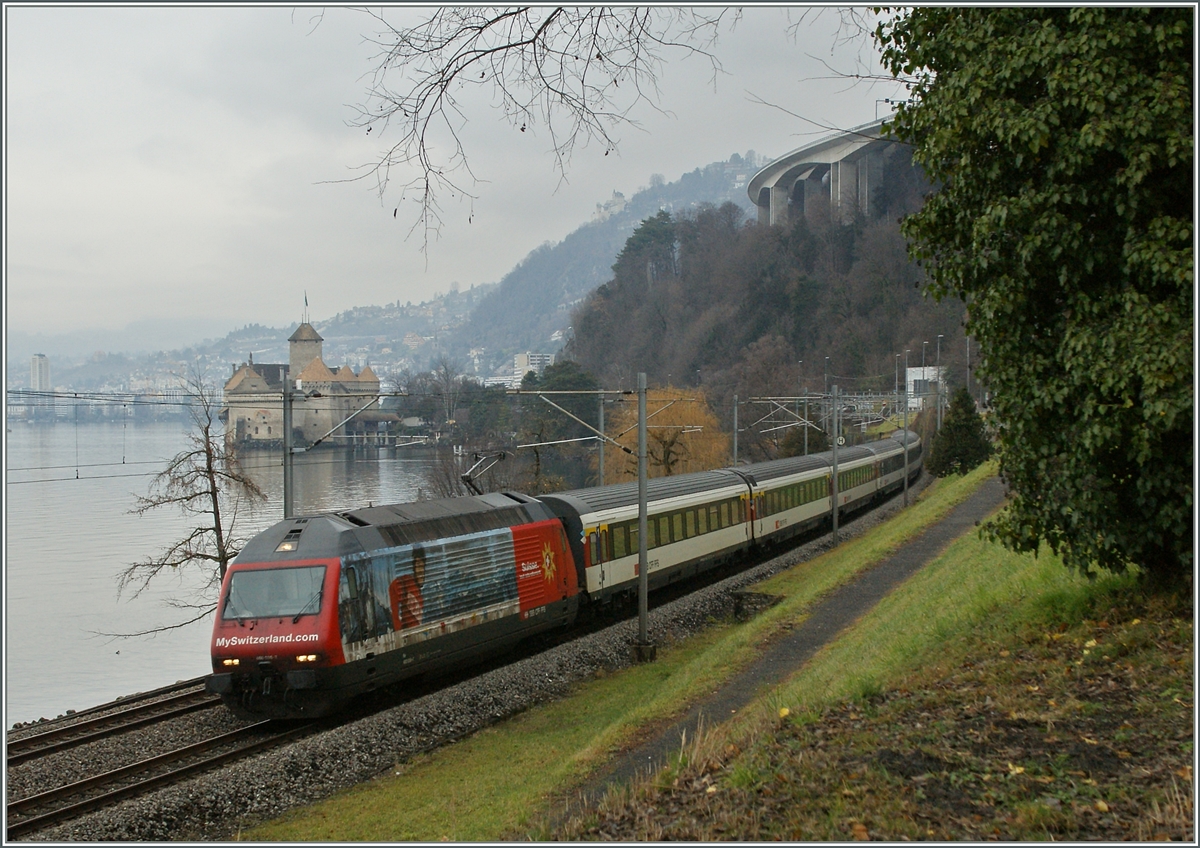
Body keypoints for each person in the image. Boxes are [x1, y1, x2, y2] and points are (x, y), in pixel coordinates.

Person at [389, 546, 426, 630]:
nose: (421, 571)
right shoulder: (405, 582)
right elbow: (392, 588)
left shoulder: (419, 591)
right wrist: (398, 631)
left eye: (423, 566)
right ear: (413, 567)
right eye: (418, 565)